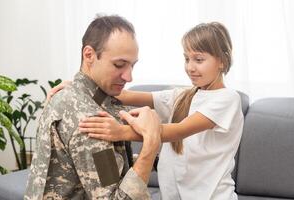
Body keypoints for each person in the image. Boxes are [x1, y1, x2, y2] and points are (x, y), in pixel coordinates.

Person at [77, 22, 244, 200]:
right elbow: (124, 95)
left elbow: (179, 131)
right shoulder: (183, 95)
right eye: (187, 59)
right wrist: (80, 86)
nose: (190, 67)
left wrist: (121, 132)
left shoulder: (227, 99)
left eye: (199, 60)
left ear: (222, 61)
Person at [25, 15, 161, 200]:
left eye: (132, 65)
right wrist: (150, 149)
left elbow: (107, 170)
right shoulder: (90, 120)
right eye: (119, 65)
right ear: (89, 55)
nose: (129, 77)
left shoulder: (71, 96)